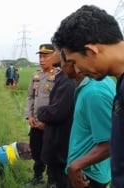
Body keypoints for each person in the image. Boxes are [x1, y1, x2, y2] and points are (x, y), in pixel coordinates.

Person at [52, 5, 123, 187]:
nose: (75, 70)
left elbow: (106, 141)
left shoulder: (96, 89)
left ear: (91, 51)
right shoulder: (116, 83)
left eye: (74, 62)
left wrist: (77, 165)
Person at [36, 47, 76, 188]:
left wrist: (40, 112)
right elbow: (31, 97)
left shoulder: (67, 80)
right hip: (55, 138)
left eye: (56, 51)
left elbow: (56, 112)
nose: (52, 55)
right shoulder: (39, 75)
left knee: (60, 178)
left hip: (60, 144)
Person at [25, 43, 59, 186]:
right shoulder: (36, 75)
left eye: (45, 56)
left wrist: (48, 121)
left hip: (50, 124)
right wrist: (30, 116)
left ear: (54, 56)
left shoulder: (59, 76)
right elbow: (30, 97)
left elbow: (58, 102)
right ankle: (37, 176)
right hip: (36, 122)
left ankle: (51, 181)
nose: (42, 59)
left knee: (51, 153)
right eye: (40, 56)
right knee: (37, 151)